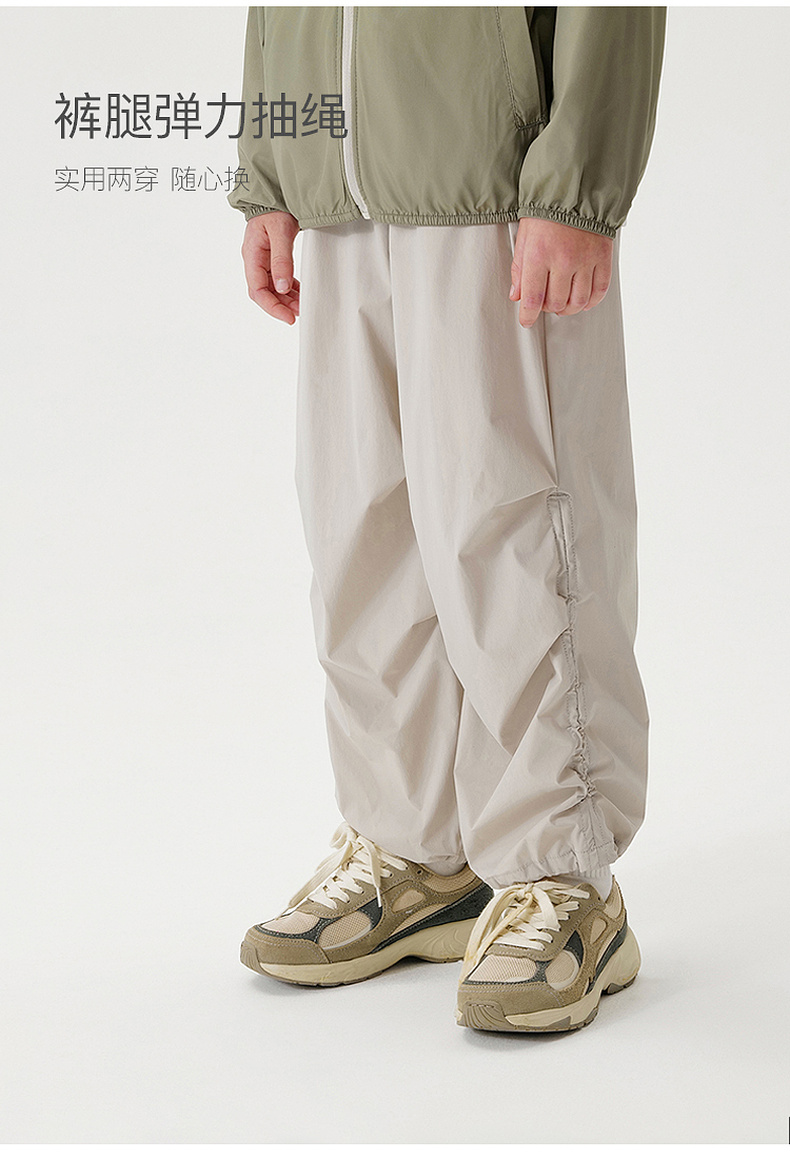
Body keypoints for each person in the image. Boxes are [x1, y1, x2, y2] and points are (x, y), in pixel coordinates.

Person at [228, 6, 666, 1034]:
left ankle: (563, 871)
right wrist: (274, 167)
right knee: (362, 532)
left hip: (493, 166)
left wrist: (576, 179)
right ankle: (416, 851)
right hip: (336, 181)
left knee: (513, 524)